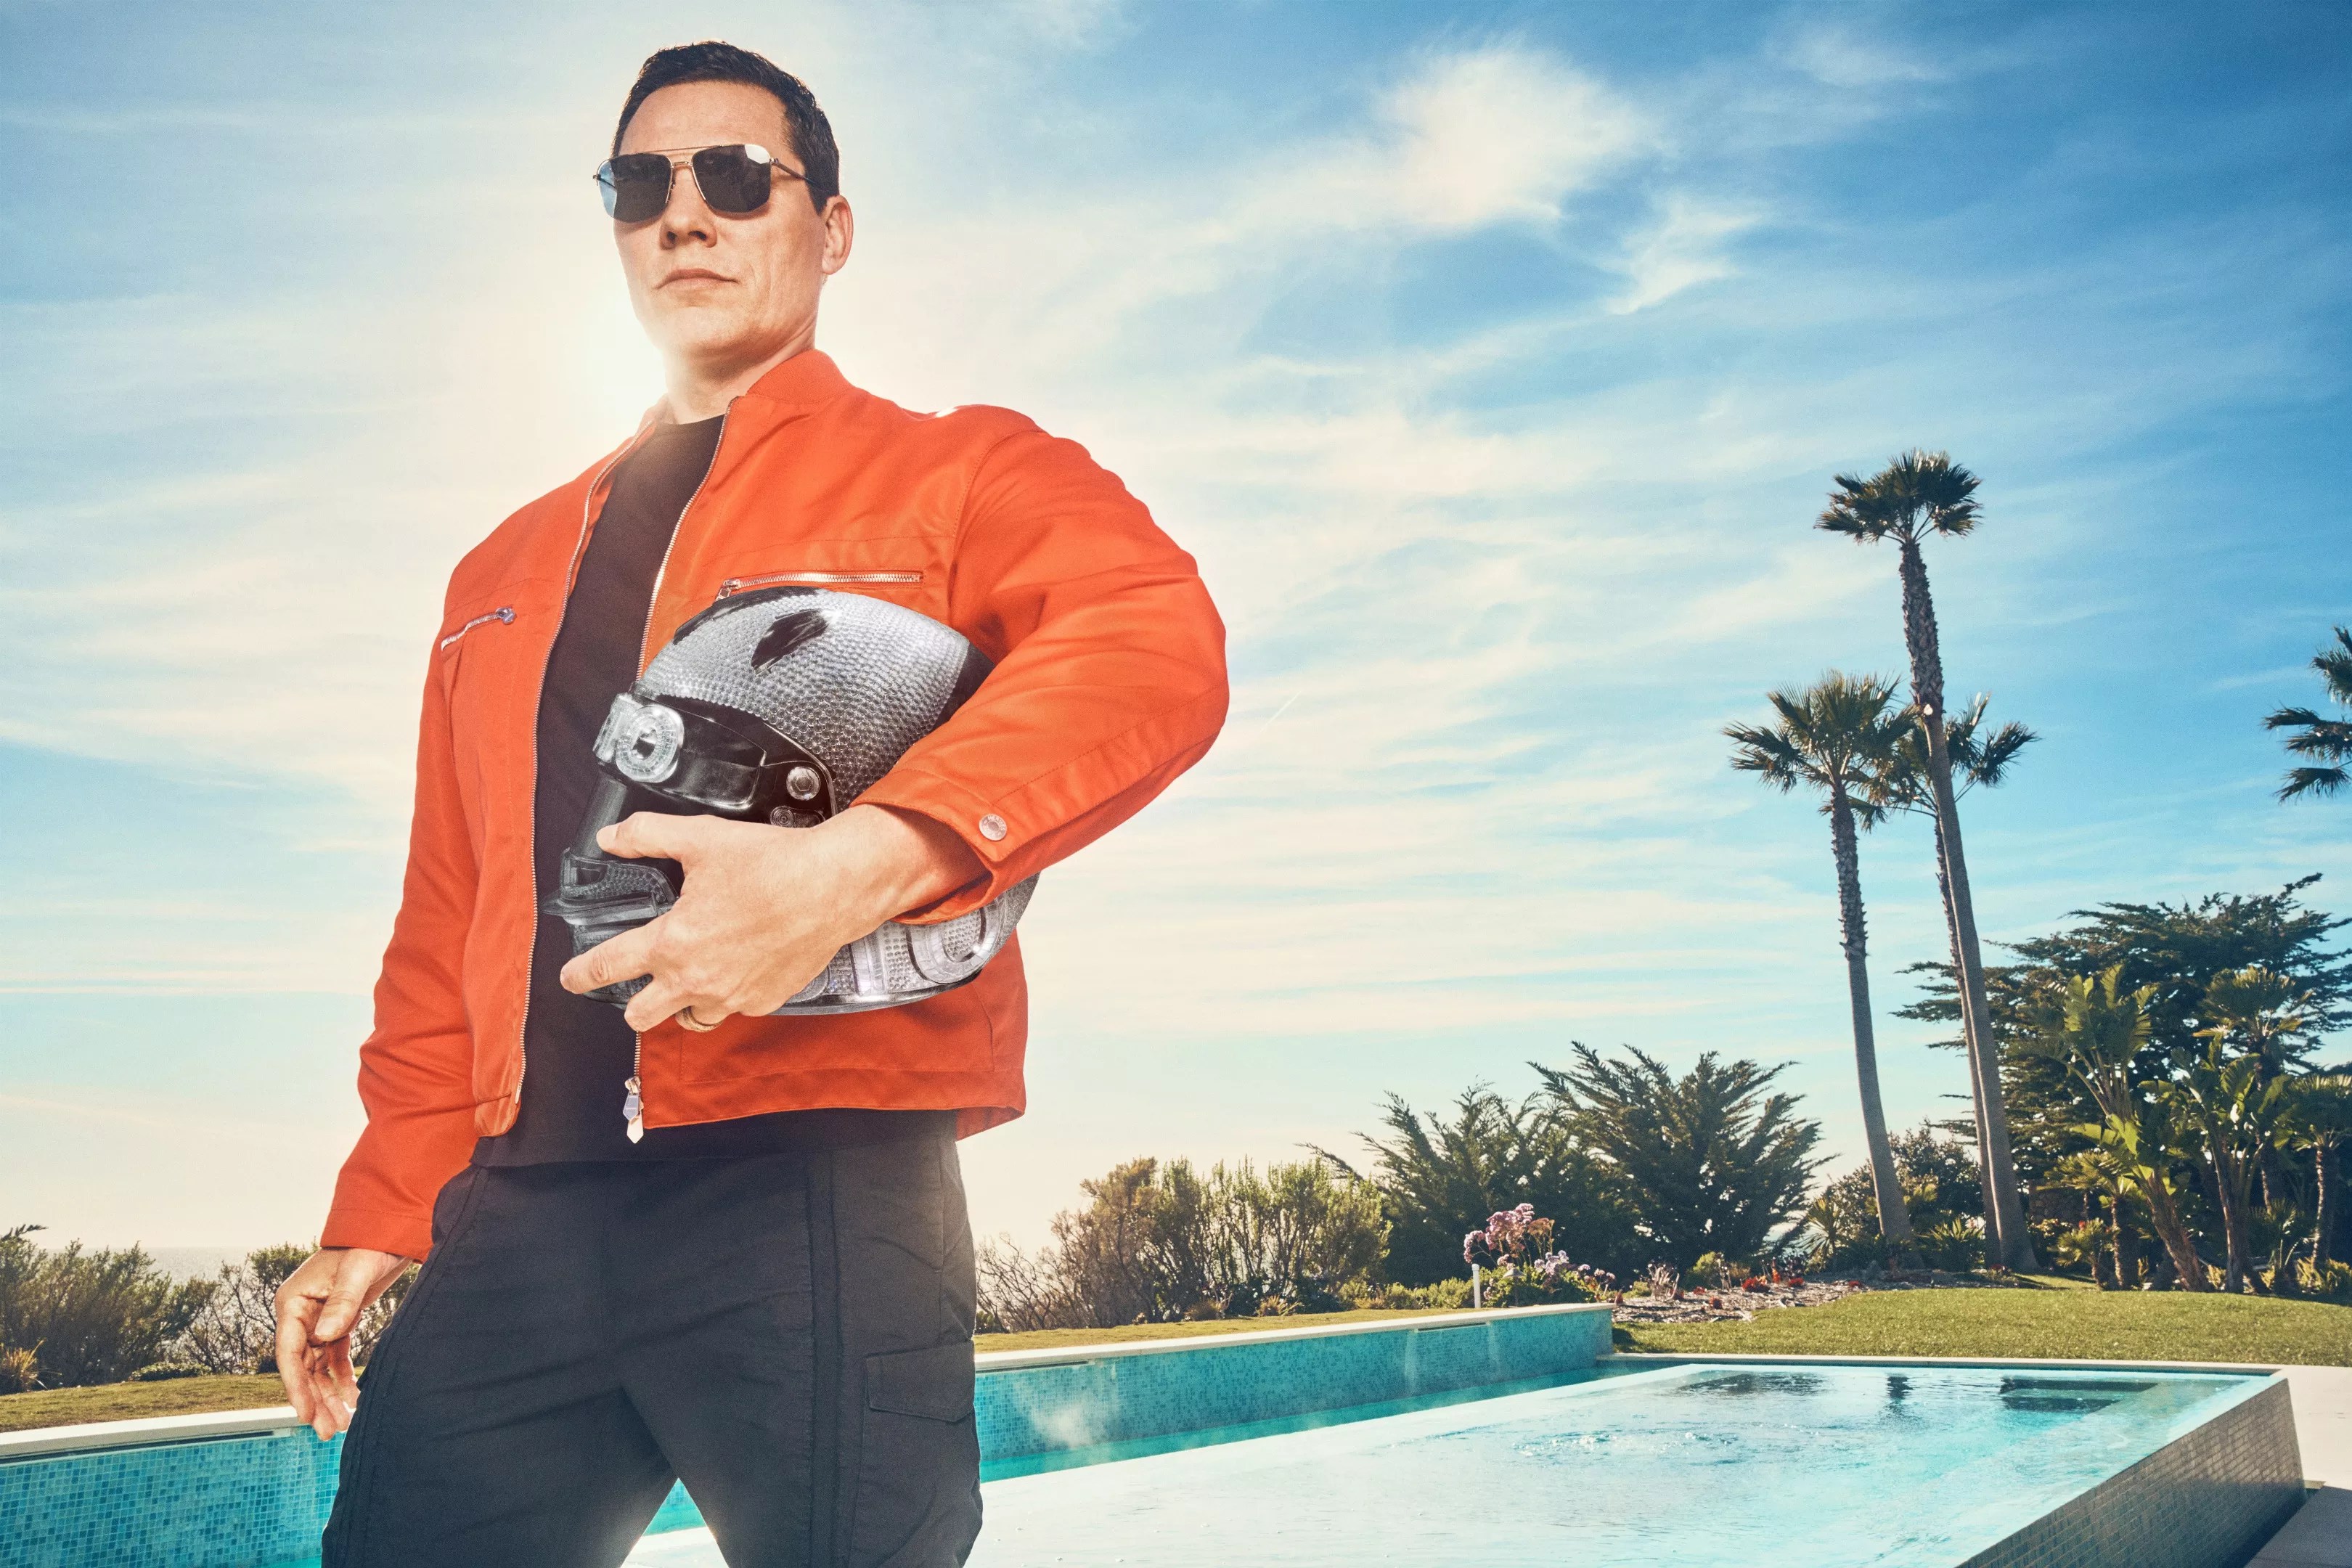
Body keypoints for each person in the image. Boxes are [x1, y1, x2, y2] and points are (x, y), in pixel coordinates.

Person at [269, 40, 1227, 1568]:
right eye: (642, 184)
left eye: (734, 177)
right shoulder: (498, 568)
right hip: (523, 1211)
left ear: (829, 228)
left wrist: (865, 863)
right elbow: (454, 902)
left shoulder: (964, 468)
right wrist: (385, 1200)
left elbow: (1151, 647)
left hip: (821, 1189)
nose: (685, 216)